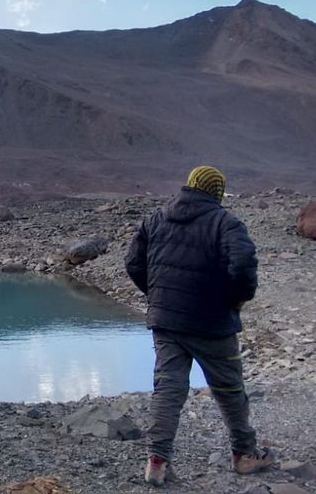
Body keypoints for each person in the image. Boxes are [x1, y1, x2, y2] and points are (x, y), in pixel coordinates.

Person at [125, 166, 275, 487]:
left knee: (168, 388)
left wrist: (158, 295)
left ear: (189, 186)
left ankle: (157, 462)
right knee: (229, 388)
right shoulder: (225, 223)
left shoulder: (156, 219)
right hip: (213, 322)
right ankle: (244, 454)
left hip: (167, 321)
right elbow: (244, 264)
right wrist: (237, 299)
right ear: (216, 192)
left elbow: (133, 262)